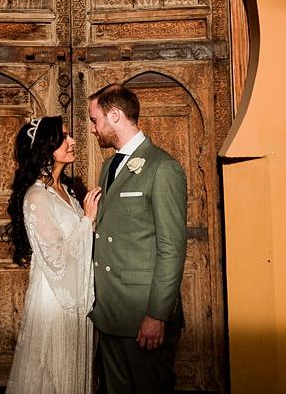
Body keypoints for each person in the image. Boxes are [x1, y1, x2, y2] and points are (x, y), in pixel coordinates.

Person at [88, 83, 187, 394]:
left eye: (95, 120)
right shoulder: (108, 166)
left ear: (115, 115)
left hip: (143, 316)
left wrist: (157, 315)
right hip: (109, 314)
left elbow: (171, 248)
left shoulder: (163, 167)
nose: (93, 129)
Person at [4, 115, 102, 394]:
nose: (73, 141)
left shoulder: (67, 191)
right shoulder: (36, 197)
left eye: (70, 136)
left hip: (76, 291)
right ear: (46, 148)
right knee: (52, 375)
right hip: (55, 298)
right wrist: (87, 220)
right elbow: (56, 258)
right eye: (63, 138)